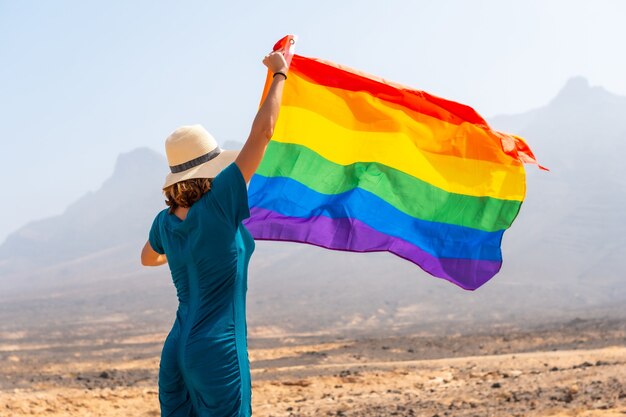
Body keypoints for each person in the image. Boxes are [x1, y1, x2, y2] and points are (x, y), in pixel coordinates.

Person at [140, 49, 289, 417]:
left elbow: (147, 258)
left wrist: (182, 252)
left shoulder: (165, 222)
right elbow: (263, 133)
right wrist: (279, 75)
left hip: (177, 349)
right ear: (210, 168)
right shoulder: (220, 204)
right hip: (217, 351)